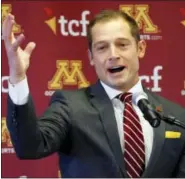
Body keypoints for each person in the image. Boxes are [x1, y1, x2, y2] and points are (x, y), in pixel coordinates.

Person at [3, 9, 185, 178]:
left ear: (140, 48)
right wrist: (18, 77)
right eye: (102, 48)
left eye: (122, 45)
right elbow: (30, 146)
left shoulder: (175, 116)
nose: (113, 55)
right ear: (91, 57)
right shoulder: (70, 106)